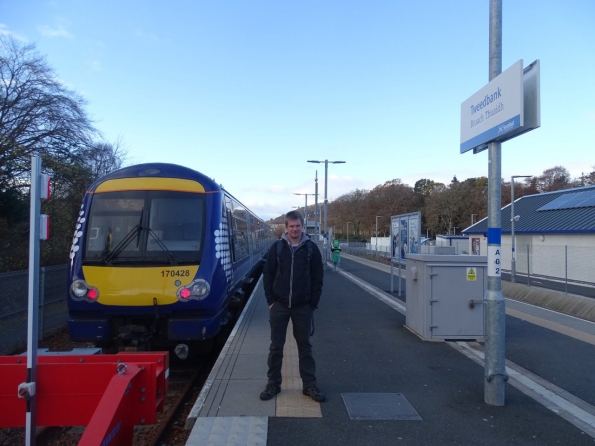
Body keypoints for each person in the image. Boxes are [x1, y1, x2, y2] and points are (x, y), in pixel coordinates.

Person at [260, 210, 325, 402]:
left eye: (298, 226)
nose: (295, 229)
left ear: (302, 226)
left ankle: (309, 385)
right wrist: (271, 301)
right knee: (276, 347)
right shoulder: (277, 248)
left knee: (305, 346)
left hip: (302, 306)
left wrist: (312, 303)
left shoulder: (311, 249)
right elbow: (268, 274)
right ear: (286, 227)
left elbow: (318, 278)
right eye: (291, 226)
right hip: (279, 305)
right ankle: (273, 384)